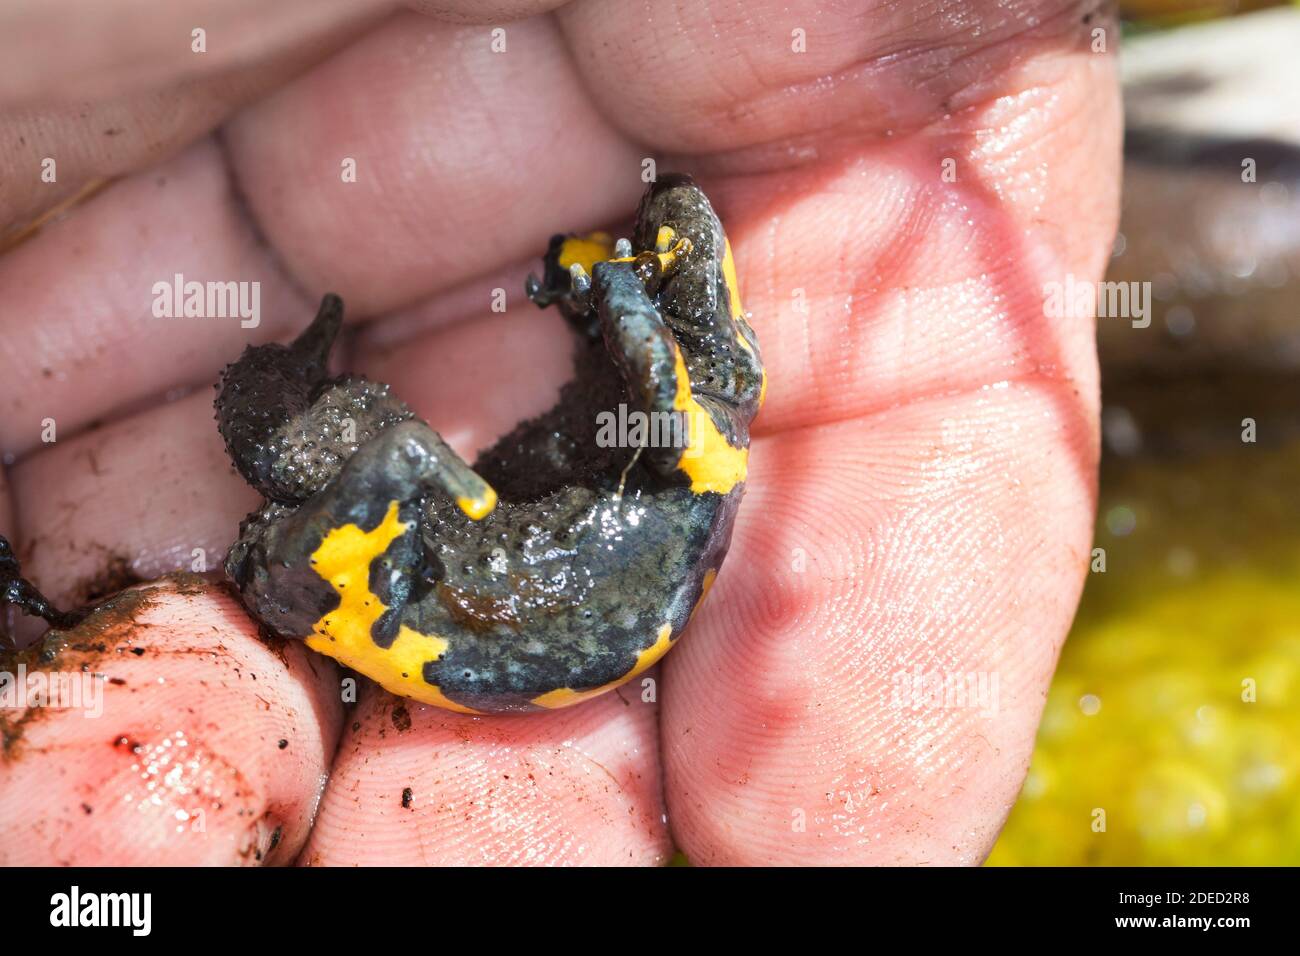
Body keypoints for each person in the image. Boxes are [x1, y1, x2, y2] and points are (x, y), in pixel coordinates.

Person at [0, 0, 1119, 866]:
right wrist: (609, 283)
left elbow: (442, 450)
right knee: (392, 460)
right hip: (487, 599)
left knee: (380, 458)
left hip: (473, 605)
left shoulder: (687, 434)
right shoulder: (688, 440)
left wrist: (611, 287)